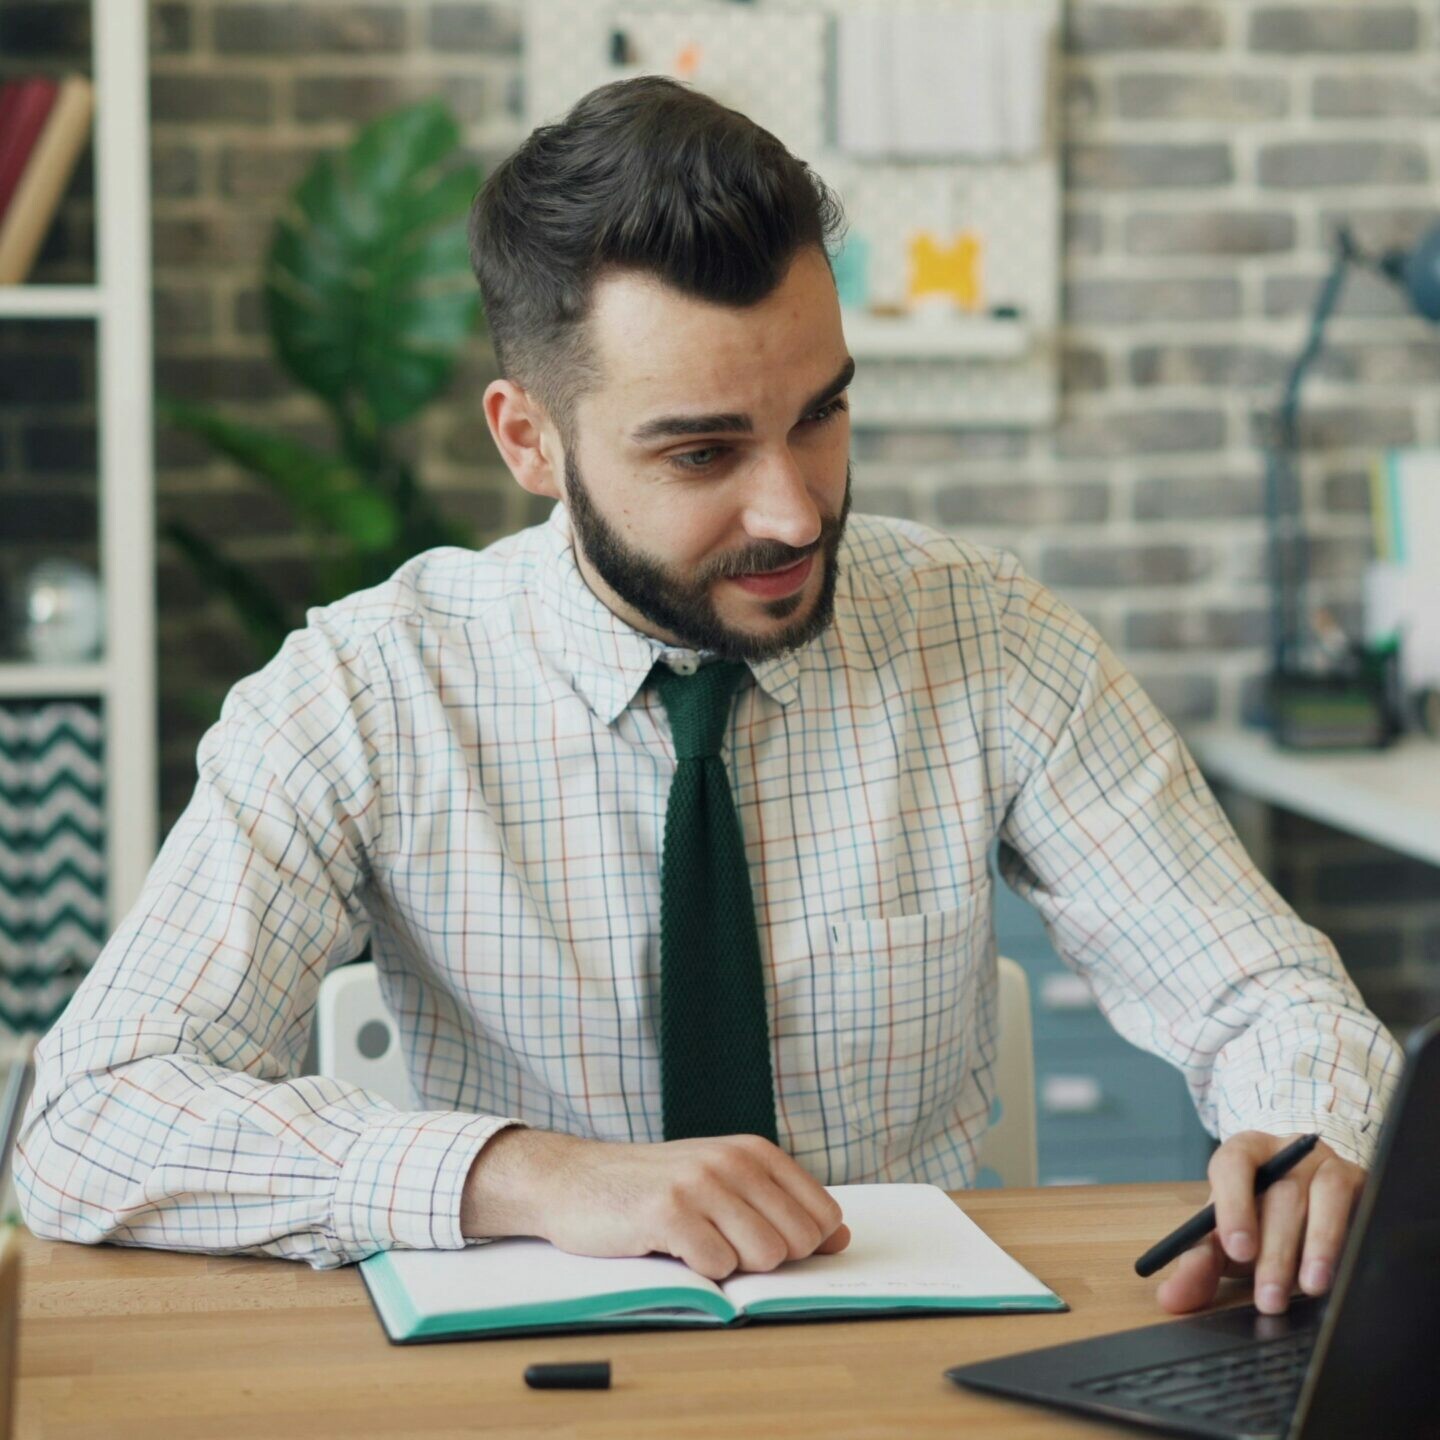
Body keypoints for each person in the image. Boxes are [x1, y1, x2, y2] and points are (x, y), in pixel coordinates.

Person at [16, 78, 1400, 1320]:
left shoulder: (990, 638)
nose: (795, 510)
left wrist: (1304, 1136)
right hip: (526, 1394)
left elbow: (1265, 997)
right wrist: (535, 1175)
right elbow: (88, 1119)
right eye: (702, 453)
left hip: (913, 1379)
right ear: (529, 441)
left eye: (822, 414)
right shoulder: (368, 689)